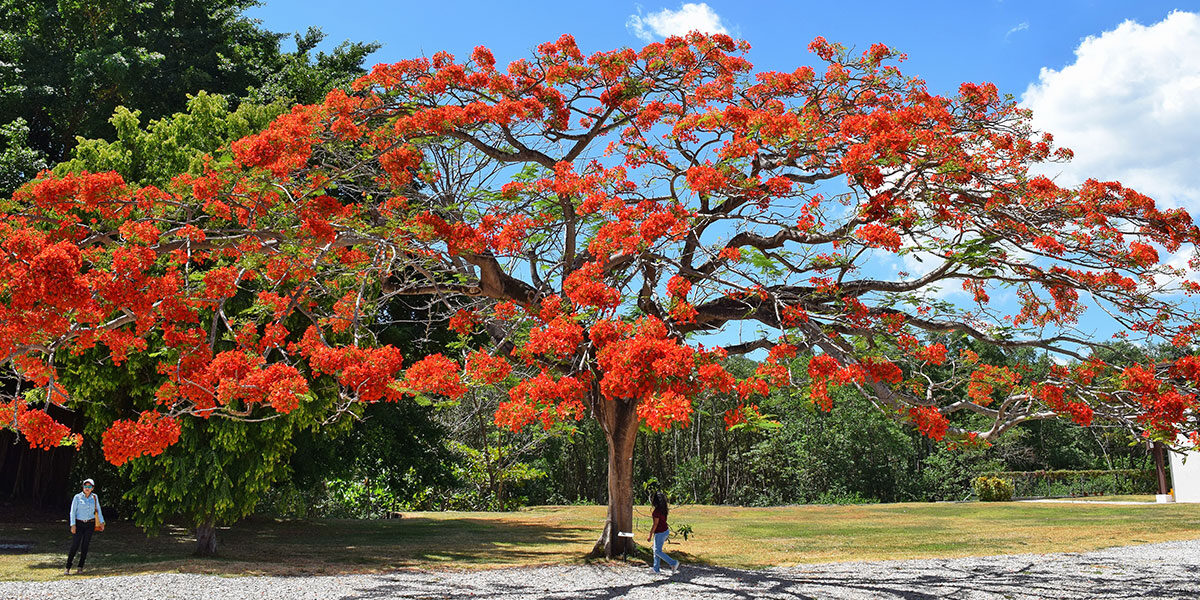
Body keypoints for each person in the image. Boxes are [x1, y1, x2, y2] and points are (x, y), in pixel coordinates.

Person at [65, 478, 105, 575]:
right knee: (75, 545)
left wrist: (102, 522)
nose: (87, 488)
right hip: (79, 524)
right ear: (83, 487)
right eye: (85, 486)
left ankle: (80, 567)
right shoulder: (77, 497)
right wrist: (72, 524)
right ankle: (68, 567)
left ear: (92, 488)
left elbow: (98, 510)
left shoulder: (94, 497)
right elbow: (72, 512)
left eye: (89, 486)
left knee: (85, 546)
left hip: (90, 524)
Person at [647, 491, 680, 575]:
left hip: (660, 533)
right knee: (656, 550)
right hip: (665, 531)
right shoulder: (664, 510)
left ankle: (673, 563)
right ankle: (656, 569)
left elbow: (655, 524)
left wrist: (650, 534)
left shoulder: (656, 512)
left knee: (657, 551)